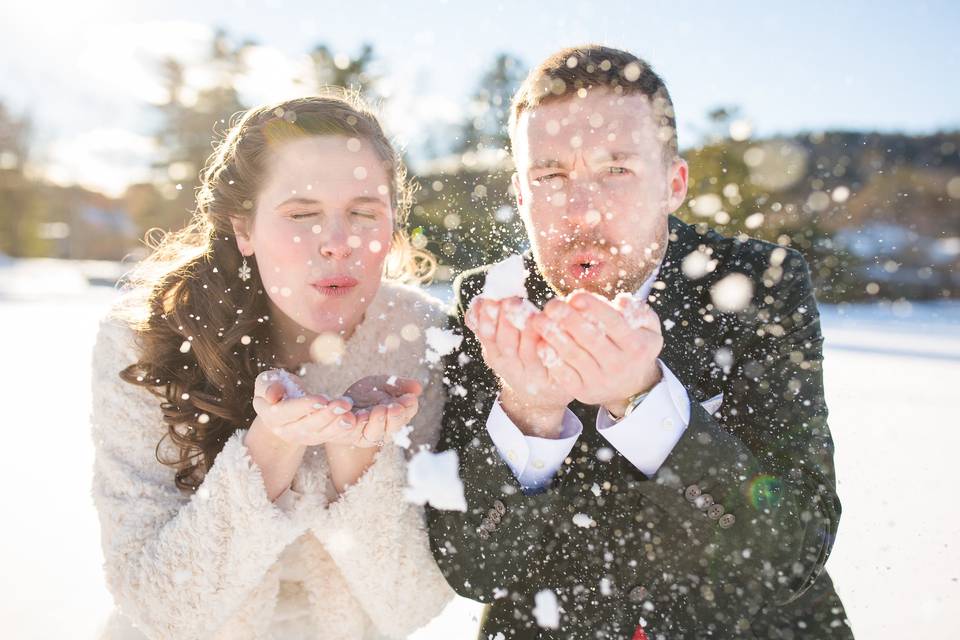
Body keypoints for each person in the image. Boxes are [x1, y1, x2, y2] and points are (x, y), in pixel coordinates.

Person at [428, 45, 853, 638]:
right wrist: (528, 413)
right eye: (550, 176)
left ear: (673, 183)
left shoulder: (758, 284)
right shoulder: (491, 302)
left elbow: (794, 549)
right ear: (521, 196)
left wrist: (644, 399)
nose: (583, 211)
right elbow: (473, 568)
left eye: (616, 170)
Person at [90, 90, 454, 640]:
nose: (337, 243)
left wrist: (356, 458)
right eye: (302, 214)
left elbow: (415, 603)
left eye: (363, 212)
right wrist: (271, 450)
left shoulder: (422, 339)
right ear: (244, 228)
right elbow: (155, 604)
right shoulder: (147, 340)